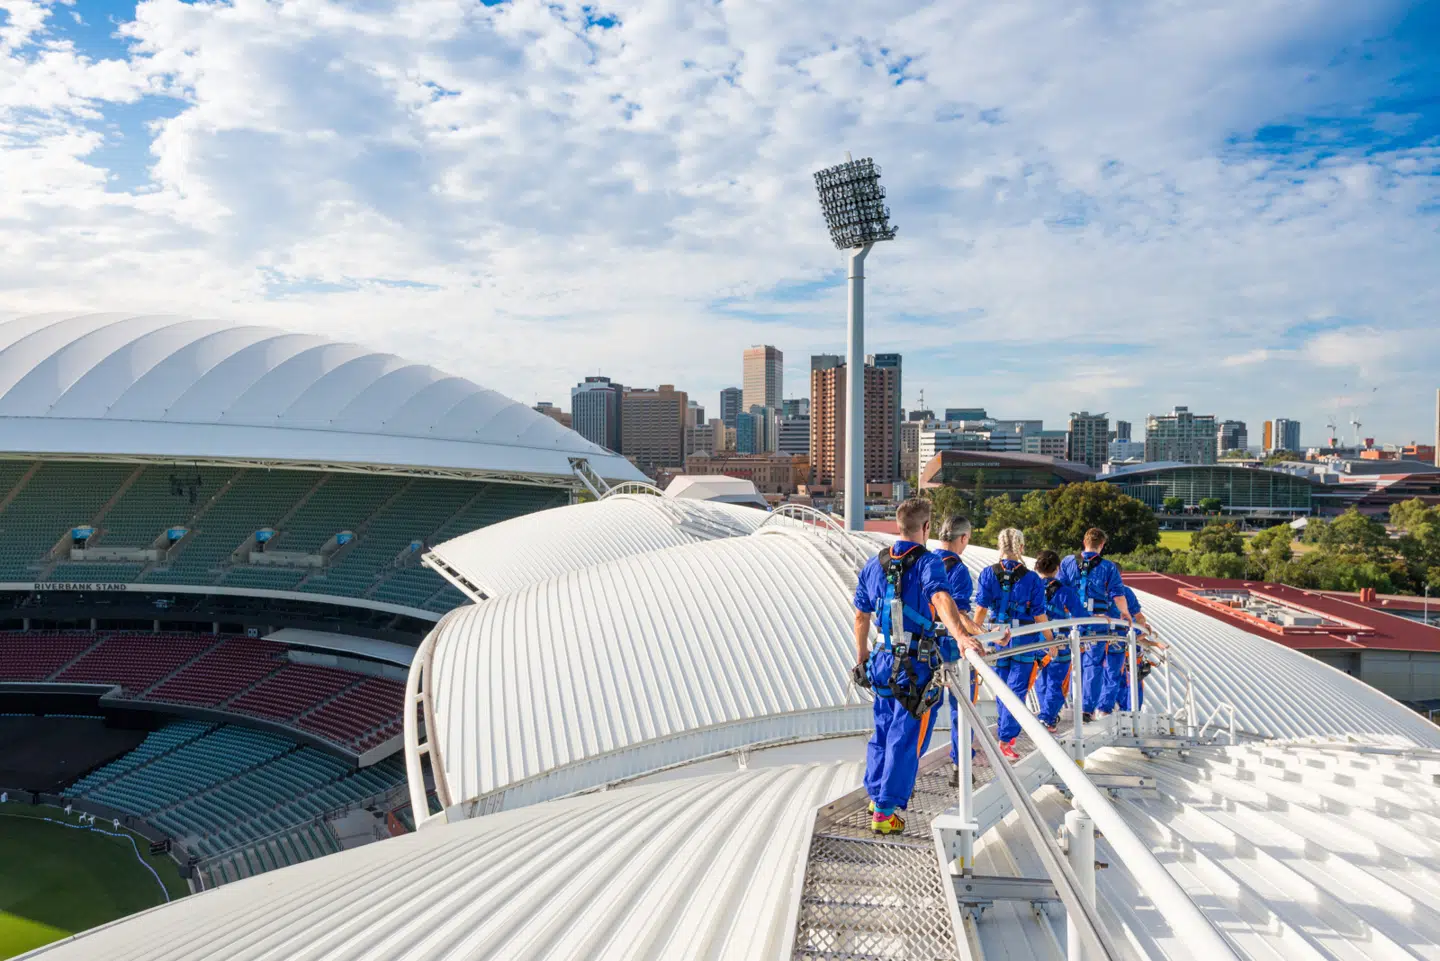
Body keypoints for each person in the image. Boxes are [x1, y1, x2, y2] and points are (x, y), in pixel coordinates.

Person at [853, 498, 985, 835]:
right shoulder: (929, 563)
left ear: (898, 526)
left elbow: (861, 616)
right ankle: (886, 812)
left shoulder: (874, 564)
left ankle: (876, 796)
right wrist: (961, 637)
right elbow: (940, 598)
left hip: (882, 661)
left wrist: (862, 658)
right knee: (905, 738)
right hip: (914, 667)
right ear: (926, 528)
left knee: (883, 731)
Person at [973, 528, 1050, 761]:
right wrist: (1051, 639)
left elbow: (980, 611)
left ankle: (1005, 735)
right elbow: (1039, 615)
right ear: (1021, 548)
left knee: (1001, 687)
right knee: (1016, 690)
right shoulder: (1032, 579)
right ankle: (1006, 740)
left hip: (998, 638)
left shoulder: (988, 574)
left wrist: (976, 636)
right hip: (1023, 639)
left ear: (999, 547)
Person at [1058, 528, 1132, 721]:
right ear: (1102, 545)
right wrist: (1125, 613)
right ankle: (1086, 708)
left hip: (1073, 619)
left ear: (1084, 542)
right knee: (1093, 664)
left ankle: (1069, 703)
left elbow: (1058, 588)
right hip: (1096, 621)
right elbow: (1118, 595)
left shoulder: (1068, 562)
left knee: (1072, 659)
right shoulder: (1108, 567)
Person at [932, 515, 975, 786]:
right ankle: (961, 768)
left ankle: (905, 777)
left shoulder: (925, 562)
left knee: (922, 712)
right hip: (952, 648)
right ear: (963, 538)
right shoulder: (958, 571)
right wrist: (982, 634)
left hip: (925, 648)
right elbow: (959, 614)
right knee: (962, 709)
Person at [1032, 549, 1087, 732]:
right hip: (1059, 642)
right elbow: (1081, 616)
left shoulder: (1030, 588)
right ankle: (1047, 718)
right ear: (1057, 569)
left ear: (1036, 567)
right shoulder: (1065, 592)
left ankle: (1046, 715)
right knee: (1057, 682)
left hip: (1035, 642)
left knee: (1041, 680)